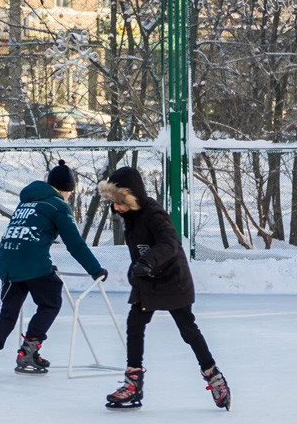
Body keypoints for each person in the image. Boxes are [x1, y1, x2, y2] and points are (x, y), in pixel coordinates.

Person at [98, 166, 230, 411]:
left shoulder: (154, 214)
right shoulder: (130, 218)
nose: (116, 208)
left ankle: (214, 376)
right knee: (134, 324)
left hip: (172, 280)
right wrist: (137, 269)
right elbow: (139, 250)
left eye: (119, 202)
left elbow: (169, 243)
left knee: (188, 330)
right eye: (113, 203)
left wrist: (147, 262)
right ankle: (133, 384)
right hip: (148, 280)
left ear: (132, 197)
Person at [0, 159, 108, 376]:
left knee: (8, 312)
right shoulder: (57, 205)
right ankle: (30, 351)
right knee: (51, 300)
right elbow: (74, 243)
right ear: (67, 189)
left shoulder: (25, 203)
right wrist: (95, 269)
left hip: (8, 260)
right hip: (31, 260)